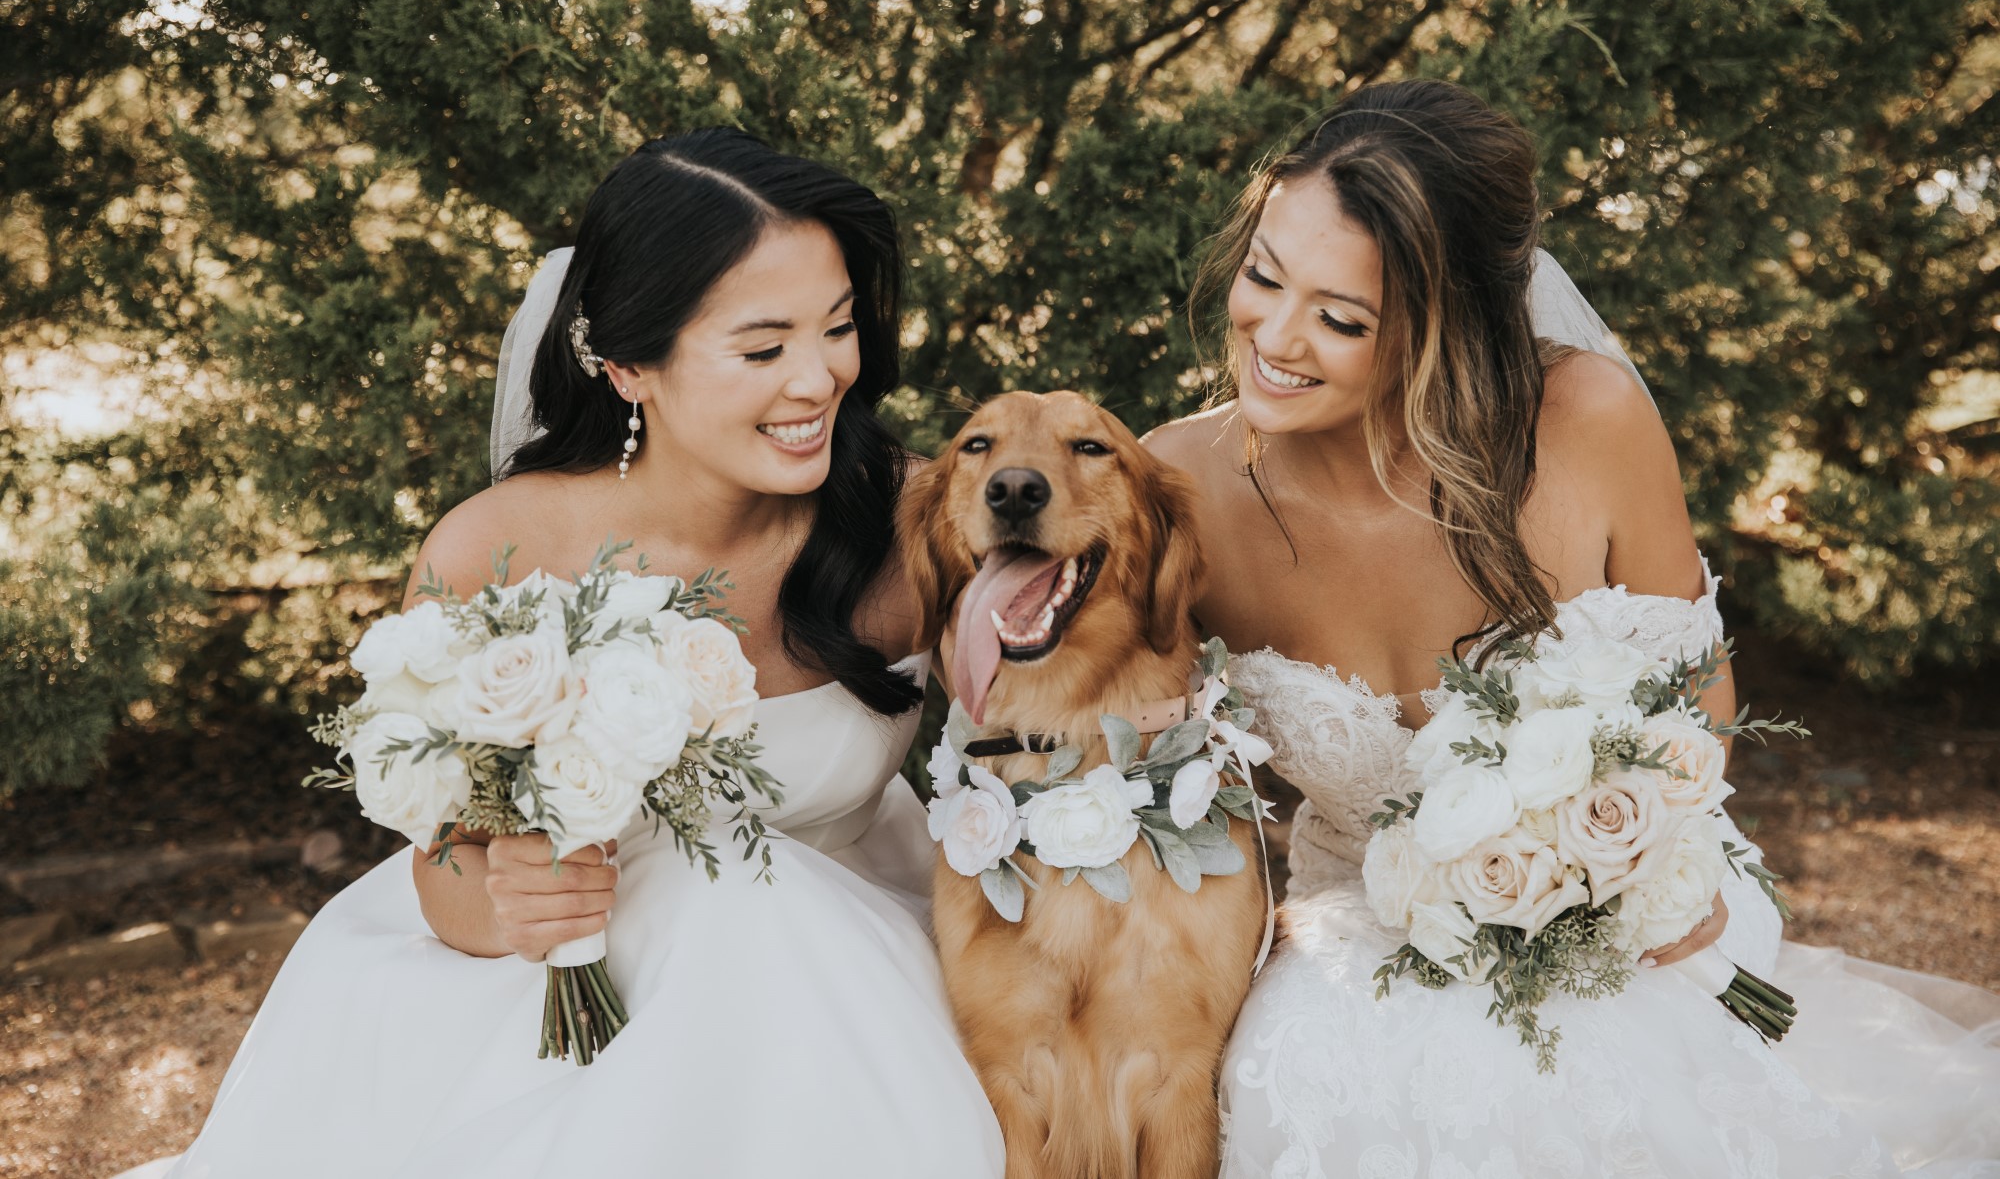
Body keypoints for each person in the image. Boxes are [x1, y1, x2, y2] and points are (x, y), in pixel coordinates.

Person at [1144, 80, 2000, 1177]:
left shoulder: (1588, 420)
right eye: (1263, 275)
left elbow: (1699, 707)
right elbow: (1146, 755)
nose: (1273, 334)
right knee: (1319, 1084)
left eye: (1340, 318)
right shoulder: (1180, 481)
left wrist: (1642, 864)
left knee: (1598, 1081)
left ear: (1445, 327)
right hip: (1353, 929)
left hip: (1631, 902)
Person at [131, 129, 1005, 1178]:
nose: (819, 379)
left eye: (838, 328)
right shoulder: (499, 550)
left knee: (745, 906)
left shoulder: (918, 519)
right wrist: (509, 896)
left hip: (864, 971)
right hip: (562, 994)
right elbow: (444, 866)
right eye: (764, 347)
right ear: (630, 362)